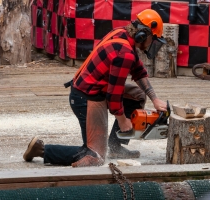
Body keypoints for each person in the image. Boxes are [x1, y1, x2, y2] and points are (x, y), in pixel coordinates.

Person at [23, 9, 168, 167]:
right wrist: (123, 121)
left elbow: (138, 71)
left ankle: (115, 146)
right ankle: (42, 150)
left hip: (93, 90)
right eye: (153, 39)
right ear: (144, 34)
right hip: (86, 98)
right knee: (95, 157)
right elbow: (114, 96)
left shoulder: (122, 34)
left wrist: (155, 99)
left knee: (137, 95)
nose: (153, 44)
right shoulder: (124, 53)